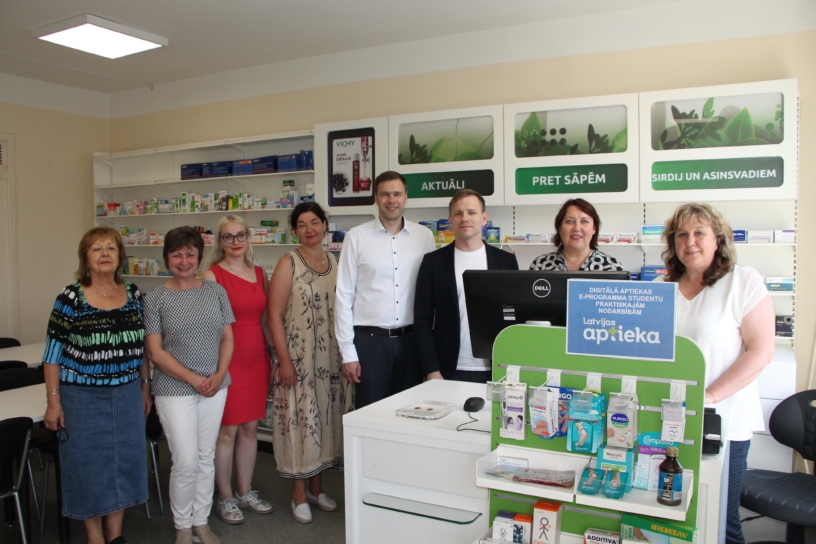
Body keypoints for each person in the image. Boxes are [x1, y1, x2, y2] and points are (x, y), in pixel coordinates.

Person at [656, 203, 774, 544]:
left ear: (718, 239)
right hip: (668, 419)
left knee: (721, 520)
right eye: (681, 234)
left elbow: (760, 351)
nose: (689, 241)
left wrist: (708, 397)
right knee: (669, 512)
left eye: (699, 233)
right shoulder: (661, 286)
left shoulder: (742, 281)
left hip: (723, 421)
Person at [42, 226, 151, 544]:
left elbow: (142, 348)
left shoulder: (133, 293)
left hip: (127, 393)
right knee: (87, 467)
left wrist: (145, 387)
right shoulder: (70, 297)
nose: (105, 254)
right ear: (85, 258)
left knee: (125, 463)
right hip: (82, 397)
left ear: (120, 256)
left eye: (111, 248)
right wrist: (53, 400)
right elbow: (52, 354)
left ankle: (115, 535)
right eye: (97, 248)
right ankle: (94, 537)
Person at [143, 227, 235, 544]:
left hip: (215, 386)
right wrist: (195, 379)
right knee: (185, 460)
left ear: (199, 256)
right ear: (166, 257)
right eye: (177, 254)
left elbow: (227, 338)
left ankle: (201, 521)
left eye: (190, 254)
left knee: (206, 455)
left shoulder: (215, 292)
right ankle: (182, 526)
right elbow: (155, 352)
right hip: (174, 389)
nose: (184, 261)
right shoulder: (155, 298)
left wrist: (220, 374)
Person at [268, 202, 354, 524]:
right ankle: (299, 494)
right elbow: (274, 316)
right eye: (302, 224)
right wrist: (284, 361)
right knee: (302, 424)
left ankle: (317, 489)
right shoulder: (287, 262)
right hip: (298, 360)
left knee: (325, 423)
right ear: (295, 231)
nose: (309, 229)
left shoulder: (336, 261)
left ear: (325, 225)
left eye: (314, 222)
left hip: (330, 359)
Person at [335, 171, 436, 408]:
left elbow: (431, 294)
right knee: (371, 413)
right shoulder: (356, 237)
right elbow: (344, 297)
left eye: (397, 194)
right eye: (385, 194)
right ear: (376, 198)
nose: (392, 200)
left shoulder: (424, 236)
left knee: (411, 412)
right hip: (370, 345)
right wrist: (348, 353)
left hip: (412, 342)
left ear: (406, 197)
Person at [203, 215, 274, 524]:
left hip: (256, 357)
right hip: (227, 359)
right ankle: (224, 496)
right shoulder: (212, 276)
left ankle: (245, 491)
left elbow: (266, 319)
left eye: (240, 235)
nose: (235, 242)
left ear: (249, 237)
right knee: (227, 431)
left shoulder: (259, 273)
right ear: (220, 242)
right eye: (228, 236)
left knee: (250, 428)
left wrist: (274, 354)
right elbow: (209, 327)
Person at [414, 189, 519, 383]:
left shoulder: (506, 261)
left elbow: (515, 319)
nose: (465, 218)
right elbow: (422, 320)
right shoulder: (433, 262)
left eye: (471, 212)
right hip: (448, 369)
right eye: (458, 213)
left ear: (484, 218)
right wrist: (431, 369)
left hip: (496, 367)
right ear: (450, 220)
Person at [529, 198, 625, 271]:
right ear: (559, 228)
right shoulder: (540, 264)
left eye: (584, 221)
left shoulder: (612, 267)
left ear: (594, 228)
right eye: (570, 221)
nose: (577, 228)